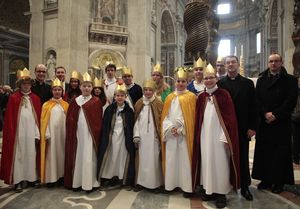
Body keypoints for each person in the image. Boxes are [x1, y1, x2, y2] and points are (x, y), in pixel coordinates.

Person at [192, 64, 240, 208]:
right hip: (205, 137)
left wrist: (225, 138)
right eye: (206, 78)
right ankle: (209, 190)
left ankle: (221, 194)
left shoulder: (224, 95)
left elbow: (230, 119)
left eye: (211, 78)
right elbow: (198, 119)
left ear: (217, 79)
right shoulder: (202, 97)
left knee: (220, 164)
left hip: (220, 137)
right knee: (207, 163)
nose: (208, 80)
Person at [252, 53, 298, 194]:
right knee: (264, 152)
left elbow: (291, 101)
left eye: (276, 61)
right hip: (265, 122)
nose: (273, 64)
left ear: (281, 62)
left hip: (281, 122)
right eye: (271, 61)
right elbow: (257, 100)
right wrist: (265, 113)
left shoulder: (290, 80)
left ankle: (279, 181)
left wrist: (275, 114)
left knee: (280, 153)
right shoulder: (261, 80)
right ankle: (265, 179)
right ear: (268, 63)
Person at [217, 55, 257, 201]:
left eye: (233, 62)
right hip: (225, 128)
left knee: (243, 156)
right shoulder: (220, 84)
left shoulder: (247, 84)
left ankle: (245, 186)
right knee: (225, 157)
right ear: (225, 66)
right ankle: (225, 184)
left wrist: (253, 127)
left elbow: (254, 106)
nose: (231, 65)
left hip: (243, 127)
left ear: (238, 64)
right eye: (228, 63)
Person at [0, 68, 41, 193]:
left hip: (31, 133)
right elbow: (10, 119)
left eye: (28, 83)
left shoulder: (35, 98)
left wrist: (37, 133)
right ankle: (18, 180)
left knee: (31, 155)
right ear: (20, 85)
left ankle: (31, 178)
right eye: (24, 83)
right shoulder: (13, 98)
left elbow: (37, 119)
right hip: (18, 133)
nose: (26, 86)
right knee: (19, 156)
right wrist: (13, 133)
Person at [64, 72, 102, 192]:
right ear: (80, 87)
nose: (86, 88)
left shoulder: (96, 101)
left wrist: (94, 132)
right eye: (84, 86)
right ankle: (77, 182)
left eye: (89, 86)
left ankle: (89, 183)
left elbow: (98, 121)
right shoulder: (75, 101)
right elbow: (70, 119)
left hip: (90, 136)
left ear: (92, 88)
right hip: (78, 135)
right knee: (78, 156)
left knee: (89, 157)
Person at [161, 67, 196, 197]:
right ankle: (170, 185)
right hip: (170, 134)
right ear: (174, 82)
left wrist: (181, 129)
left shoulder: (191, 97)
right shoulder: (170, 97)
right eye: (178, 81)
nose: (180, 83)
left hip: (184, 135)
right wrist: (171, 128)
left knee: (185, 160)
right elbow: (166, 115)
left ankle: (186, 187)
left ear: (187, 82)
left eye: (183, 81)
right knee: (171, 159)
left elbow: (191, 117)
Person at [98, 83, 135, 189]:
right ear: (114, 96)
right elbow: (105, 125)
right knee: (112, 157)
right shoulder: (109, 109)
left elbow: (130, 126)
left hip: (124, 138)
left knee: (122, 157)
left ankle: (122, 177)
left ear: (125, 97)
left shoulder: (129, 110)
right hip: (111, 138)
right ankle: (109, 177)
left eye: (122, 95)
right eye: (118, 95)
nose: (120, 97)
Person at [133, 79, 164, 191]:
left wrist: (160, 134)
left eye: (150, 90)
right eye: (145, 90)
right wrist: (136, 135)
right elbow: (135, 121)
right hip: (142, 138)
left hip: (154, 138)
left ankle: (156, 184)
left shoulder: (159, 103)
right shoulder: (139, 103)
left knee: (154, 159)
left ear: (154, 90)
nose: (147, 92)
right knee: (142, 160)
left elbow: (162, 120)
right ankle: (140, 183)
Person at [40, 78, 69, 186]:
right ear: (52, 91)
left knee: (62, 156)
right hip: (51, 136)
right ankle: (51, 178)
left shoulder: (66, 105)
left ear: (62, 91)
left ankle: (61, 176)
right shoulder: (46, 105)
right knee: (51, 156)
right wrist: (46, 133)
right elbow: (44, 121)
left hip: (63, 135)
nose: (57, 92)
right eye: (55, 90)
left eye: (59, 90)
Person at [292, 77, 300, 164]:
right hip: (295, 117)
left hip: (295, 116)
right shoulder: (294, 90)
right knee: (295, 138)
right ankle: (295, 157)